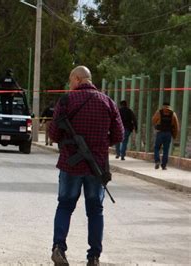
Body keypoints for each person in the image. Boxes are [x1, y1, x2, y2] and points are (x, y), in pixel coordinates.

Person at [48, 66, 123, 266]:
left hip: (70, 165)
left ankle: (58, 248)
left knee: (65, 206)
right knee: (95, 211)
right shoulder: (107, 102)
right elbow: (119, 135)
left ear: (78, 79)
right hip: (96, 167)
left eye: (71, 81)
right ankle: (94, 257)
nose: (70, 85)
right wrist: (99, 142)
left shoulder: (66, 101)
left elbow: (53, 134)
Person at [152, 102, 179, 170]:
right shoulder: (173, 114)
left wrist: (157, 125)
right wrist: (174, 135)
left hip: (160, 132)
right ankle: (164, 165)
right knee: (166, 150)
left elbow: (153, 120)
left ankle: (157, 161)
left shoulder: (159, 112)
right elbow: (176, 126)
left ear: (163, 106)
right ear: (169, 106)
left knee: (157, 148)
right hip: (168, 133)